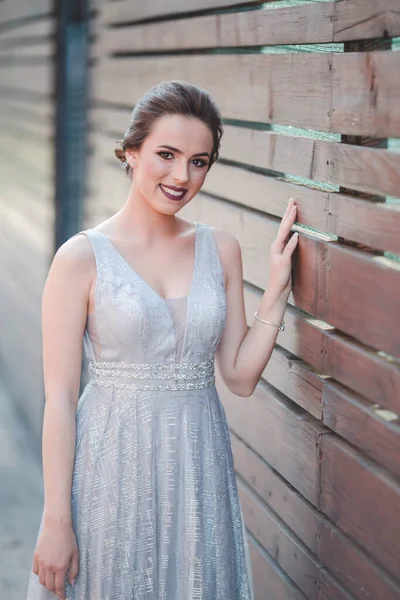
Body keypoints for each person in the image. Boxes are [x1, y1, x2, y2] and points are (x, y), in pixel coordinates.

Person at [26, 80, 298, 600]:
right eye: (166, 155)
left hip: (198, 470)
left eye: (199, 161)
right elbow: (59, 399)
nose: (181, 176)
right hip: (110, 468)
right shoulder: (80, 258)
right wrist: (55, 519)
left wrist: (277, 290)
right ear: (131, 152)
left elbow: (239, 378)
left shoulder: (220, 248)